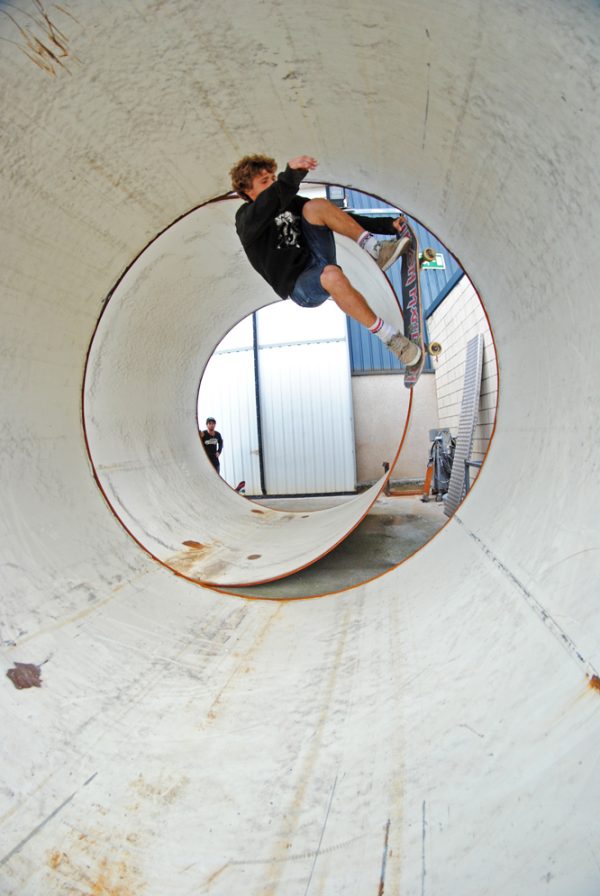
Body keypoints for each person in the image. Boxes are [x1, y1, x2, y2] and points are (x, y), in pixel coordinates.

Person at [229, 153, 421, 367]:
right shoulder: (246, 219)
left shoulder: (290, 202)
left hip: (318, 257)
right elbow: (269, 202)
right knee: (332, 276)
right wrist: (291, 174)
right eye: (265, 182)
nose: (273, 184)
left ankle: (375, 249)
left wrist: (386, 225)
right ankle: (391, 339)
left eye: (273, 179)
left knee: (316, 206)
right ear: (247, 191)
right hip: (300, 285)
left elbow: (339, 215)